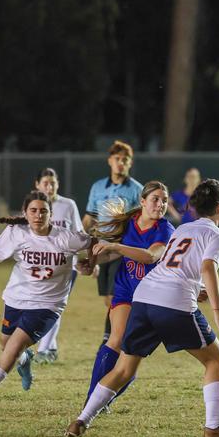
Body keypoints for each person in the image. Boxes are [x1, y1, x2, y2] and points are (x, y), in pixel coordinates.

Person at [66, 178, 219, 437]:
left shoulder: (182, 229)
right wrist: (218, 310)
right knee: (215, 359)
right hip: (173, 301)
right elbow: (207, 267)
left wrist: (196, 288)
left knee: (124, 368)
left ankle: (81, 420)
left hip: (144, 297)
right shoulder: (218, 235)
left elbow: (177, 265)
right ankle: (214, 428)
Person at [0, 191, 92, 413]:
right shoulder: (17, 232)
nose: (38, 215)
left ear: (51, 214)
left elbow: (94, 243)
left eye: (43, 211)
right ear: (25, 213)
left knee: (12, 349)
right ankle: (25, 361)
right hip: (16, 297)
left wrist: (91, 262)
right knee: (6, 344)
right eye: (33, 210)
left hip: (47, 305)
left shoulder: (65, 238)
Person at [82, 181, 174, 410]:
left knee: (130, 358)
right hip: (125, 289)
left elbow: (151, 256)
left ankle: (104, 398)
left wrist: (116, 248)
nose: (160, 204)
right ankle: (91, 402)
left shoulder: (165, 229)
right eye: (155, 199)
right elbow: (109, 253)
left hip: (151, 297)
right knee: (115, 340)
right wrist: (91, 263)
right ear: (142, 201)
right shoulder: (129, 222)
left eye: (164, 200)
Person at [83, 140, 143, 342]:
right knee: (108, 300)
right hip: (102, 250)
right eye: (117, 159)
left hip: (122, 249)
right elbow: (89, 218)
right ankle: (119, 335)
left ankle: (110, 338)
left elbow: (141, 221)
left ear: (130, 163)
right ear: (110, 160)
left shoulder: (137, 190)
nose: (121, 163)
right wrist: (80, 242)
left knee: (115, 297)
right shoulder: (98, 187)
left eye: (125, 160)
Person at [31, 167, 84, 363]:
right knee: (40, 304)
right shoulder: (33, 206)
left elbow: (79, 233)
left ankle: (43, 350)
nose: (49, 187)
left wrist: (86, 259)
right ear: (37, 185)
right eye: (45, 183)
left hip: (66, 265)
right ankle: (51, 347)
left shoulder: (68, 205)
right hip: (42, 264)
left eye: (53, 183)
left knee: (55, 305)